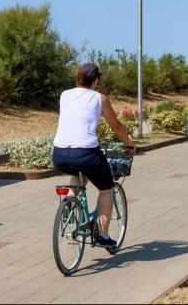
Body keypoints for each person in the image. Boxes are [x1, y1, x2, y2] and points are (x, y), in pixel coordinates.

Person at [53, 63, 136, 250]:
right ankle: (103, 235)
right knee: (106, 188)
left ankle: (69, 204)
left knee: (79, 171)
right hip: (86, 152)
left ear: (78, 78)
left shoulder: (65, 95)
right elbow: (116, 126)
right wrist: (129, 143)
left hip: (59, 153)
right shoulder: (100, 99)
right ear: (96, 80)